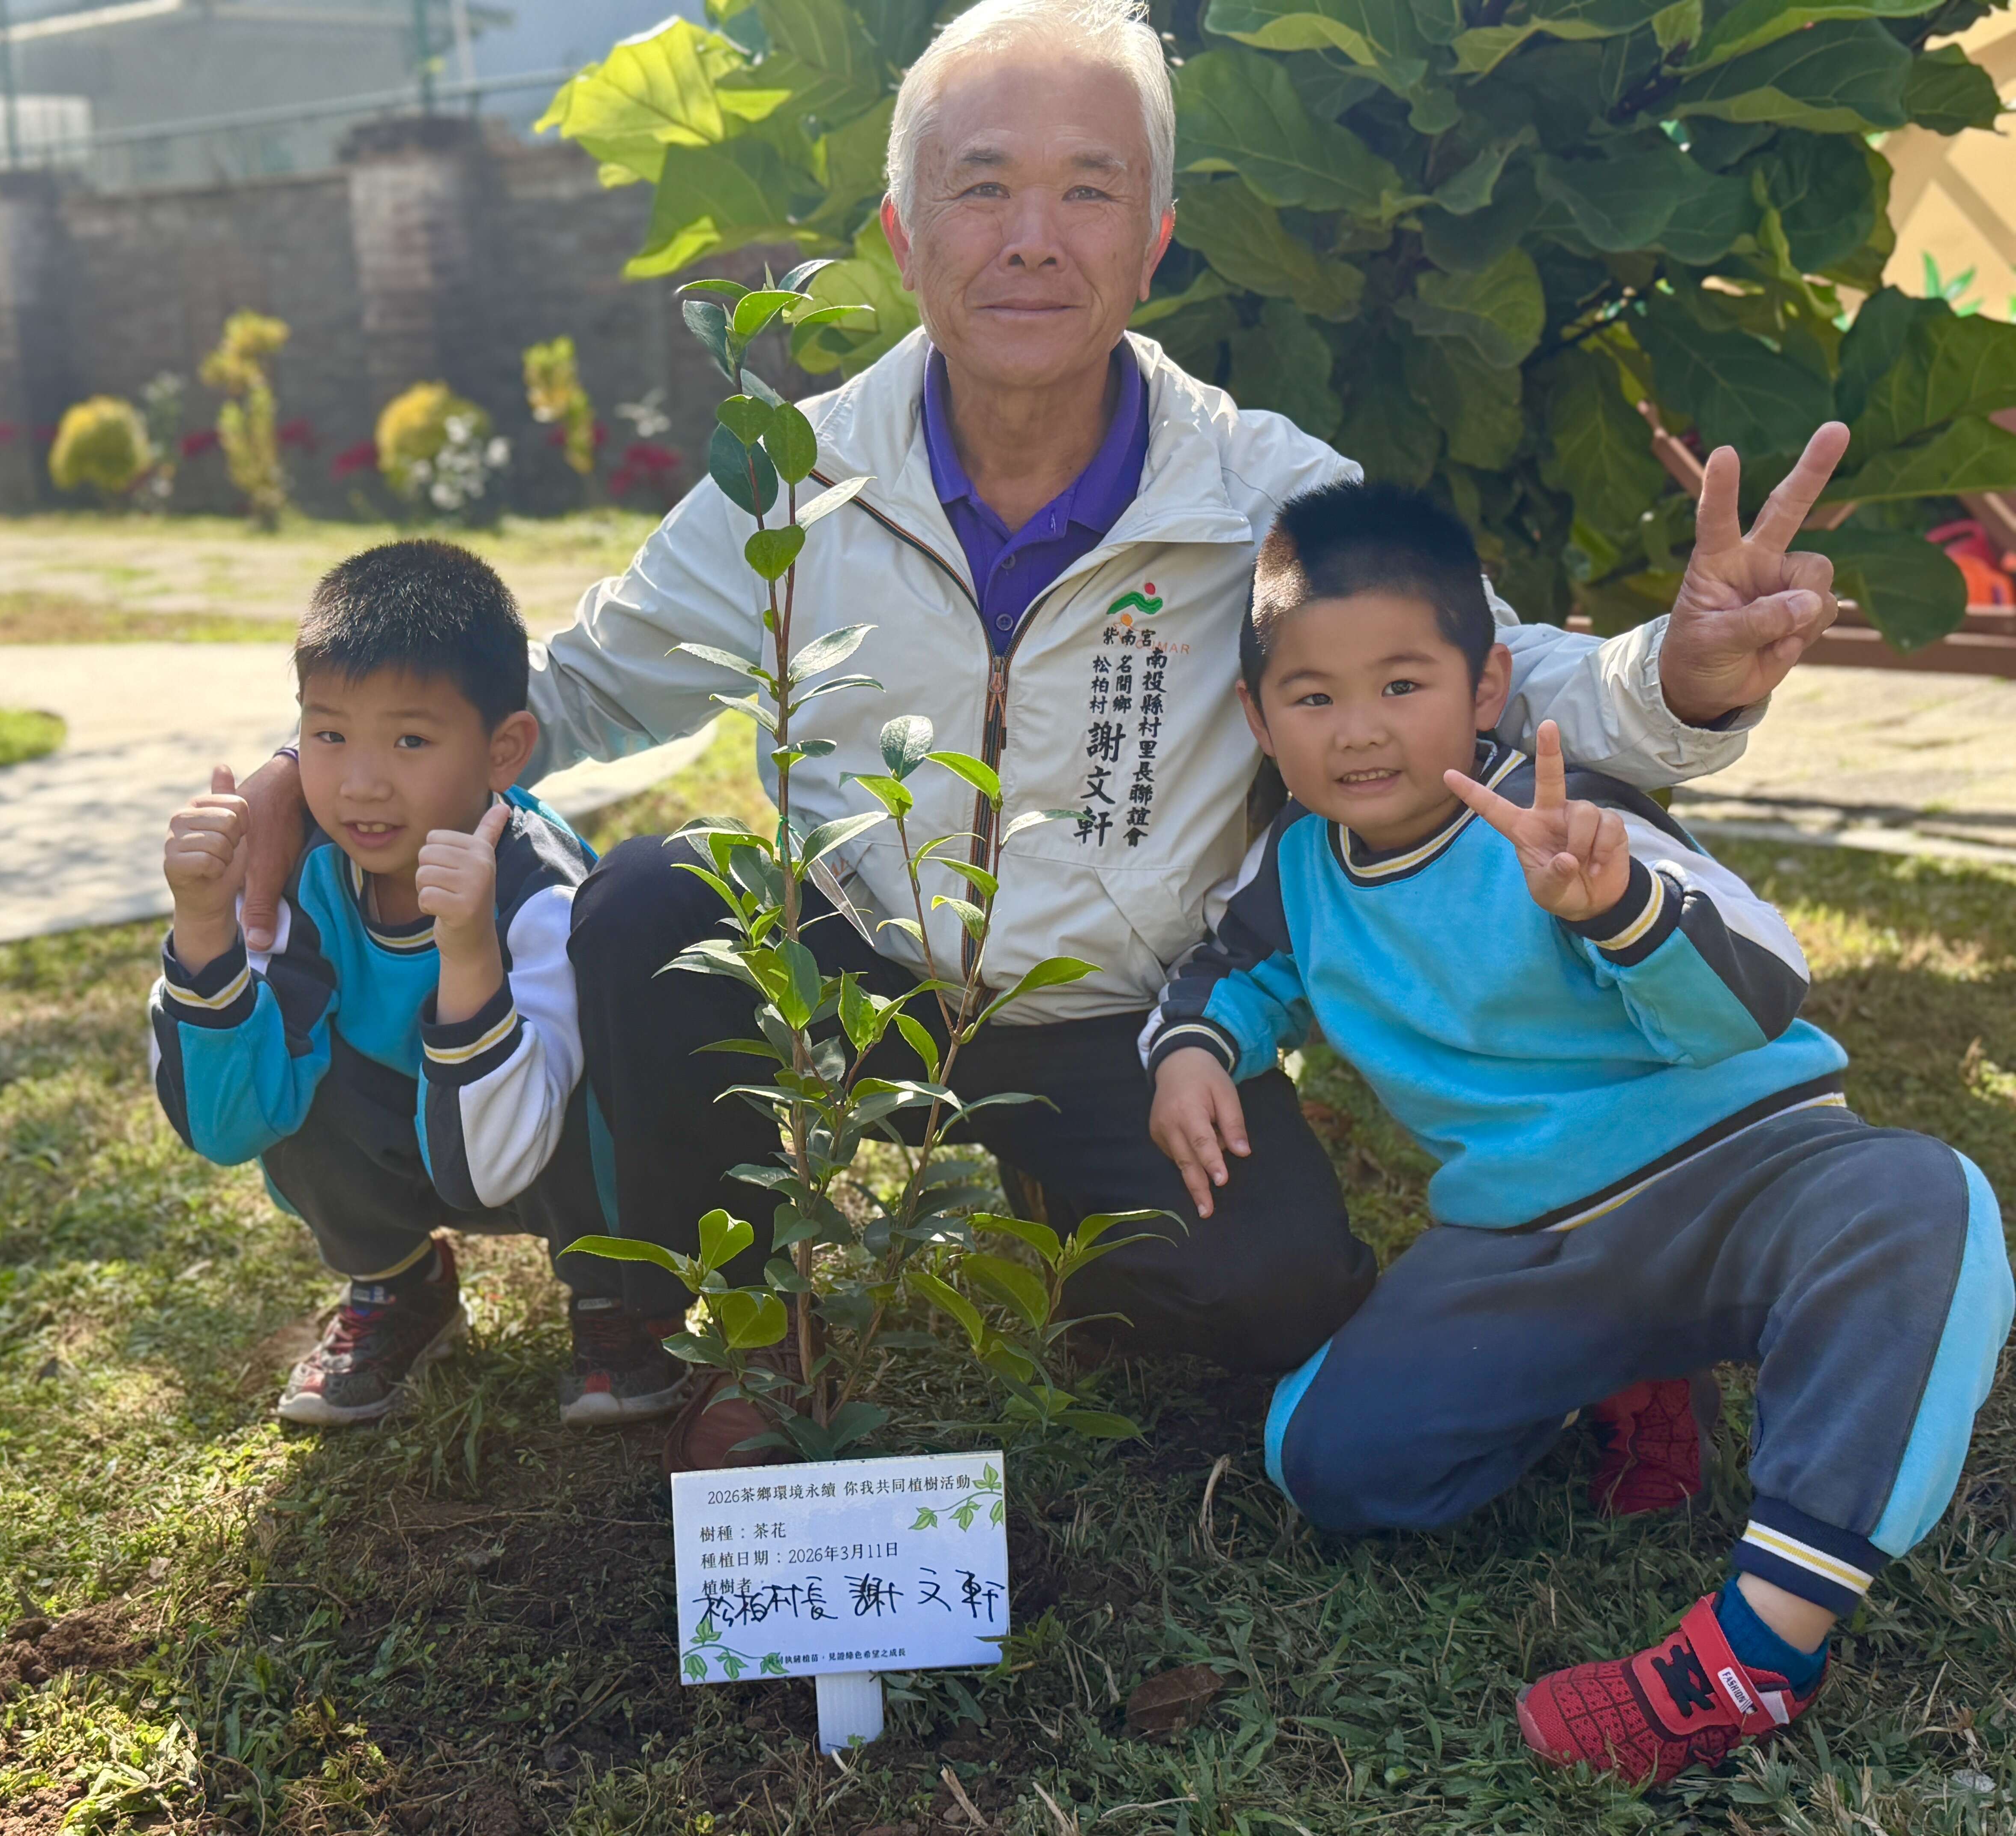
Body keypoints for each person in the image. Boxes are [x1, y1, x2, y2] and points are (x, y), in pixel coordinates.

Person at [232, 0, 1851, 1458]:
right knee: (654, 904)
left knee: (1272, 1292)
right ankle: (702, 1320)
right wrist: (305, 779)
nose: (1031, 237)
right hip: (860, 966)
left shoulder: (1250, 490)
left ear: (1153, 241)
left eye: (1087, 189)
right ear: (901, 226)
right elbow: (567, 689)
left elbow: (1496, 666)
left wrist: (1685, 670)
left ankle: (1058, 1199)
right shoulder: (790, 476)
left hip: (1115, 1013)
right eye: (981, 183)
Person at [1144, 480, 2013, 1787]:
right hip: (1529, 1238)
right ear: (1261, 720)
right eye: (1314, 698)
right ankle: (1627, 1370)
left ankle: (1752, 1655)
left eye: (1402, 682)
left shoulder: (1573, 807)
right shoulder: (1299, 872)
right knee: (1321, 1454)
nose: (1361, 731)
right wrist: (1198, 1052)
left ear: (1489, 684)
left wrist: (1615, 907)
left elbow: (1755, 998)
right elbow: (1231, 970)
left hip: (1748, 1169)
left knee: (1926, 1206)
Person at [149, 540, 690, 1429]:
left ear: (504, 750)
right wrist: (205, 926)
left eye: (410, 739)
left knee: (601, 1076)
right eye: (328, 735)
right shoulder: (303, 875)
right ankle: (399, 1282)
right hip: (405, 1141)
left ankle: (615, 1293)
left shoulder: (536, 887)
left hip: (531, 1141)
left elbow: (497, 1163)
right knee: (285, 1049)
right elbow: (226, 1127)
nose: (361, 782)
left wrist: (472, 952)